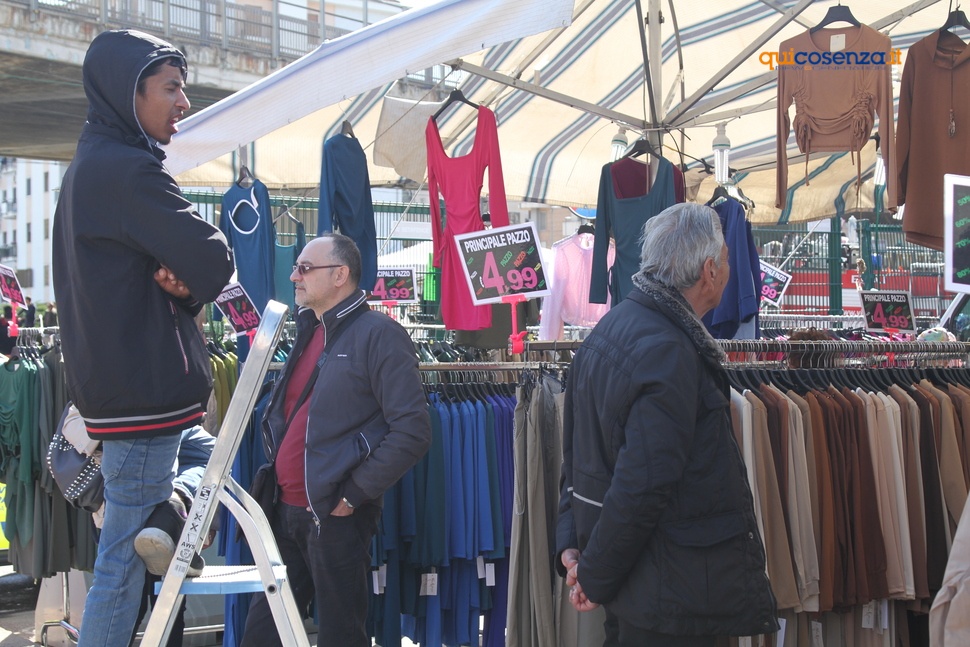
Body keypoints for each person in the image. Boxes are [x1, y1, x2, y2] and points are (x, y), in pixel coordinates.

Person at [51, 29, 234, 646]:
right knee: (120, 567)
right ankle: (174, 512)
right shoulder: (127, 171)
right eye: (172, 88)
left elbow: (174, 275)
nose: (184, 102)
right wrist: (191, 281)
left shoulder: (90, 166)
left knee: (214, 458)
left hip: (126, 397)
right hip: (142, 400)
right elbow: (214, 258)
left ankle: (177, 509)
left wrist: (180, 290)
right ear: (129, 93)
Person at [556, 203, 779, 647]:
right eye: (728, 259)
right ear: (709, 270)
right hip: (671, 593)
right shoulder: (670, 350)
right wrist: (594, 573)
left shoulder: (611, 329)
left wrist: (575, 545)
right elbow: (643, 486)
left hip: (640, 581)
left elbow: (578, 456)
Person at [239, 233, 431, 647]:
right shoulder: (310, 330)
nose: (294, 276)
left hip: (334, 515)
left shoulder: (380, 335)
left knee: (340, 635)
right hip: (286, 510)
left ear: (340, 275)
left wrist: (354, 494)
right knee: (262, 634)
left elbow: (413, 429)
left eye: (305, 268)